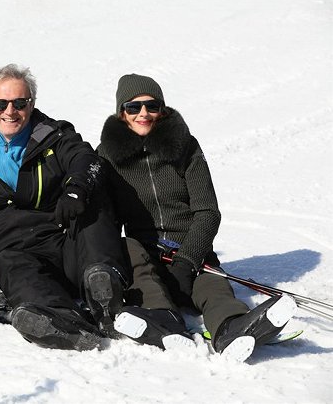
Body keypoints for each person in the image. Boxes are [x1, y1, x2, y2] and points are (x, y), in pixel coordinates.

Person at [0, 63, 185, 351]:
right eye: (1, 103)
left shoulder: (53, 135)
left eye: (20, 103)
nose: (10, 111)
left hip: (68, 240)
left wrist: (76, 189)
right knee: (11, 266)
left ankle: (103, 288)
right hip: (18, 250)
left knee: (94, 202)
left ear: (31, 104)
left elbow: (87, 159)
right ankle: (57, 319)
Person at [96, 73, 297, 361]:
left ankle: (232, 328)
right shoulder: (107, 155)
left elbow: (208, 211)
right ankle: (163, 321)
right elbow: (106, 217)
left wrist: (187, 260)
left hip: (189, 247)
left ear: (162, 109)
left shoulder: (185, 147)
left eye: (152, 106)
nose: (144, 114)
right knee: (133, 255)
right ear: (121, 113)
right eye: (133, 107)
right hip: (144, 251)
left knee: (211, 282)